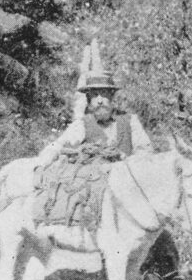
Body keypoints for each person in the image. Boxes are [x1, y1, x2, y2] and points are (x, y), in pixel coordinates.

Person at [32, 70, 154, 227]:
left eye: (104, 94)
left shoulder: (130, 122)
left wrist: (124, 159)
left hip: (130, 192)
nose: (100, 101)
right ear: (89, 100)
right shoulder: (83, 124)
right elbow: (58, 145)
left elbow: (146, 152)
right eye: (95, 96)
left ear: (112, 97)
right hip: (98, 194)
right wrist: (41, 163)